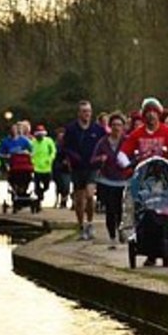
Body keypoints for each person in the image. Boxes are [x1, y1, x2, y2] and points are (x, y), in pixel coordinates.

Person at [62, 101, 107, 240]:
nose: (87, 114)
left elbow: (104, 144)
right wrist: (70, 158)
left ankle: (90, 223)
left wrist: (102, 157)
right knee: (79, 199)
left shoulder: (97, 129)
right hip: (77, 167)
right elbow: (65, 147)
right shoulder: (71, 129)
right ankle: (81, 224)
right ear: (79, 113)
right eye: (84, 111)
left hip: (93, 166)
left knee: (89, 193)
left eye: (89, 111)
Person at [91, 112, 130, 245]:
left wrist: (127, 162)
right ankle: (112, 235)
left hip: (123, 180)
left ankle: (121, 231)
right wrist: (100, 159)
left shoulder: (127, 141)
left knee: (121, 209)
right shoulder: (103, 142)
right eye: (114, 125)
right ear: (110, 126)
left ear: (123, 127)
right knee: (110, 210)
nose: (116, 128)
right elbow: (93, 159)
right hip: (106, 180)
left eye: (119, 125)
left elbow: (135, 157)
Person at [31, 124, 57, 206]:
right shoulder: (32, 142)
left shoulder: (48, 141)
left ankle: (41, 192)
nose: (40, 136)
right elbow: (30, 152)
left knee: (47, 185)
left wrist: (50, 159)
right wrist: (31, 161)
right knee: (37, 185)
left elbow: (53, 151)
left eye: (41, 134)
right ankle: (38, 198)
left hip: (47, 167)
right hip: (36, 167)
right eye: (38, 134)